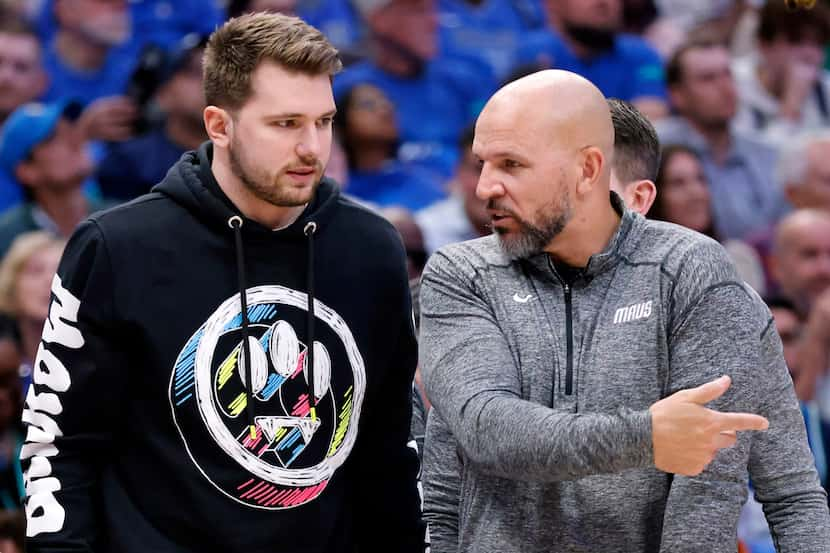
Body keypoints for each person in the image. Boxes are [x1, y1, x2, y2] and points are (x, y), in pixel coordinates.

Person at [20, 12, 425, 552]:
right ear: (219, 125)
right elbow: (58, 445)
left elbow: (388, 450)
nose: (312, 148)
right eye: (285, 124)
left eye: (323, 121)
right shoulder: (118, 247)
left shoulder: (371, 248)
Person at [419, 69, 828, 552]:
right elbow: (481, 434)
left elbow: (767, 492)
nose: (485, 186)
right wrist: (649, 434)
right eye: (482, 163)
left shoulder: (691, 272)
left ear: (589, 170)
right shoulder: (459, 273)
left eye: (511, 164)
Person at [657, 38, 788, 241]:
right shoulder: (654, 148)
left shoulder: (768, 153)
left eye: (728, 75)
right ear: (678, 95)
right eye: (708, 79)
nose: (726, 88)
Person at [0, 100, 105, 258]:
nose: (74, 140)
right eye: (52, 138)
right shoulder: (7, 239)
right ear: (27, 171)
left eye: (71, 128)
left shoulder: (120, 218)